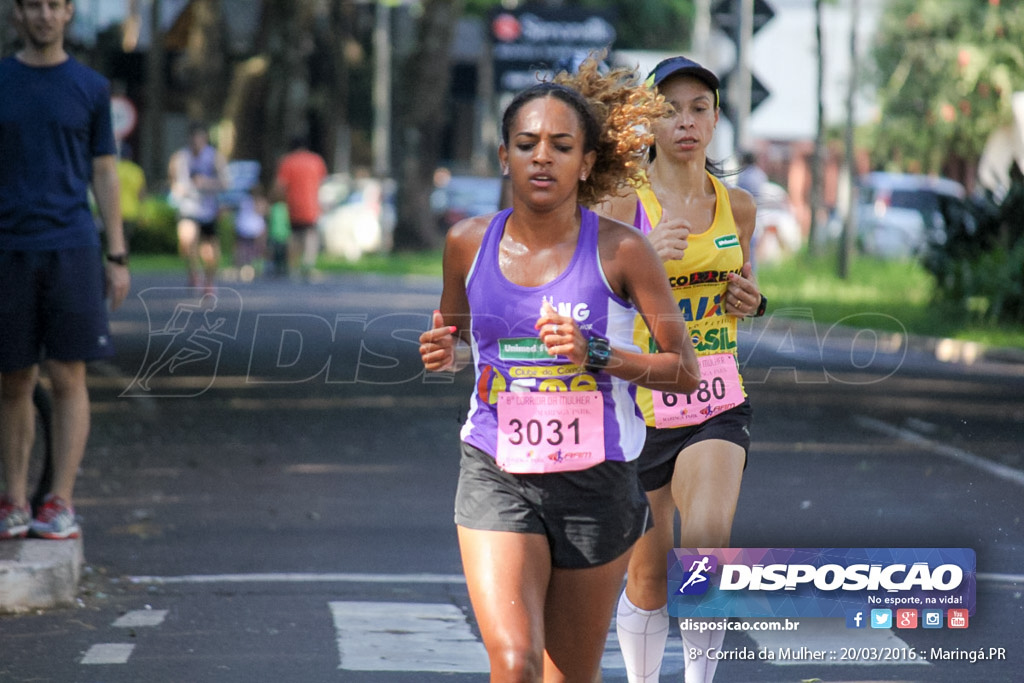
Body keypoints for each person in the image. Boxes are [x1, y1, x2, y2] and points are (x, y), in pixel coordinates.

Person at [418, 60, 701, 682]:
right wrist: (447, 352)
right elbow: (456, 332)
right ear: (503, 157)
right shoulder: (467, 242)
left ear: (588, 163)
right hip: (496, 470)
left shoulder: (623, 250)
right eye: (526, 145)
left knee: (564, 675)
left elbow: (683, 371)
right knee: (514, 661)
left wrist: (596, 353)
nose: (541, 158)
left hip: (596, 482)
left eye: (561, 146)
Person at [596, 56, 766, 683]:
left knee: (707, 544)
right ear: (649, 124)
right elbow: (588, 302)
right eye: (670, 110)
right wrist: (648, 271)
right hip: (637, 402)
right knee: (647, 573)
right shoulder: (619, 203)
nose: (686, 122)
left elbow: (745, 292)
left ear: (716, 119)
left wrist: (752, 301)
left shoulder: (739, 207)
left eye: (699, 108)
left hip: (715, 393)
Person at [0, 0, 130, 540]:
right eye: (34, 6)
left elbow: (104, 170)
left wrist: (117, 254)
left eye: (55, 5)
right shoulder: (2, 80)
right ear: (18, 14)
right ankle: (12, 501)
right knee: (13, 379)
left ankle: (60, 501)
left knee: (68, 376)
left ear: (70, 13)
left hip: (72, 246)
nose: (45, 16)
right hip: (8, 246)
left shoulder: (91, 87)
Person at [168, 121, 228, 293]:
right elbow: (172, 180)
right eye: (192, 138)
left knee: (210, 251)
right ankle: (194, 273)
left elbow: (225, 183)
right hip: (188, 207)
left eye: (199, 138)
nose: (195, 141)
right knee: (187, 239)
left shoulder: (214, 157)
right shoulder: (180, 157)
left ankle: (209, 282)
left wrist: (206, 183)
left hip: (208, 209)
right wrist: (177, 189)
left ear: (205, 138)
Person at [273, 135, 327, 280]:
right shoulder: (316, 160)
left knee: (294, 236)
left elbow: (280, 186)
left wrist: (277, 200)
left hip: (293, 205)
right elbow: (321, 183)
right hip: (311, 205)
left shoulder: (287, 161)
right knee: (310, 235)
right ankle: (308, 265)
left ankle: (293, 268)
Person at [233, 182, 268, 281]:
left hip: (245, 229)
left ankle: (247, 268)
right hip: (253, 230)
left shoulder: (244, 201)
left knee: (246, 251)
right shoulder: (255, 202)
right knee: (252, 251)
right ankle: (249, 268)